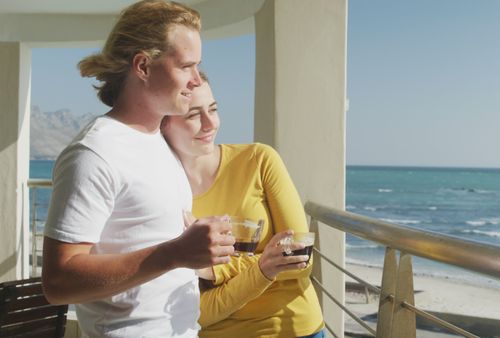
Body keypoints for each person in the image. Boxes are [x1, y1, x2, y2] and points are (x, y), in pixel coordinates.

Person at [42, 1, 235, 337]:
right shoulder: (94, 153)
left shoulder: (158, 140)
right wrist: (174, 253)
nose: (195, 80)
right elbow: (59, 282)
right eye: (186, 66)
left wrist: (193, 248)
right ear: (143, 66)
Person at [161, 72, 326, 338]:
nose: (209, 123)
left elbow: (300, 258)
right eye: (193, 115)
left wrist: (215, 270)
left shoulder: (259, 160)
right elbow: (197, 311)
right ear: (162, 124)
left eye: (213, 110)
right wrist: (265, 267)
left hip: (294, 330)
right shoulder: (163, 193)